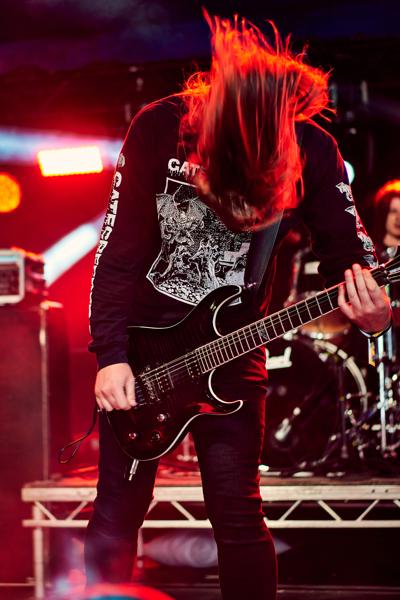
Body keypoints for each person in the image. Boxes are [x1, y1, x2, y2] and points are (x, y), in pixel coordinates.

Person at [85, 13, 391, 600]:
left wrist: (374, 311)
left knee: (238, 512)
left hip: (233, 348)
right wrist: (111, 355)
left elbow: (349, 255)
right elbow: (116, 252)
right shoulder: (160, 126)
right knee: (118, 510)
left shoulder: (312, 146)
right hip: (142, 352)